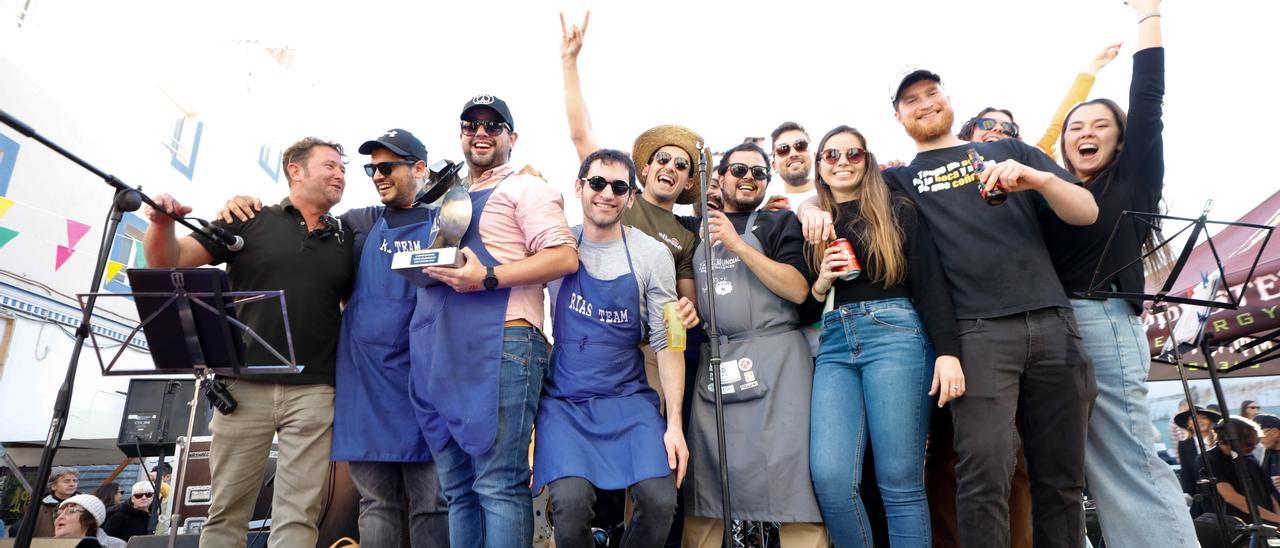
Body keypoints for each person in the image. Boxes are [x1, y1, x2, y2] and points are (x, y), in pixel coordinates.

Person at [846, 67, 1098, 548]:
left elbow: (1086, 212)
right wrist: (812, 211)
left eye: (931, 93)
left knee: (1062, 480)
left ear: (947, 100)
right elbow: (841, 198)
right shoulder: (895, 181)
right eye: (910, 100)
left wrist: (1039, 178)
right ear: (897, 116)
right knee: (983, 476)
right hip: (977, 335)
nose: (924, 103)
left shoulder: (1010, 152)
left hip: (1052, 321)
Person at [143, 136, 355, 548]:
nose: (340, 175)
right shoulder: (249, 218)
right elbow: (168, 261)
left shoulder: (347, 238)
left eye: (342, 169)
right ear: (296, 170)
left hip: (315, 390)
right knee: (226, 513)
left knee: (299, 516)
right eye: (330, 165)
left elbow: (353, 308)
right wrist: (161, 223)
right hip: (242, 386)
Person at [1038, 3, 1198, 546]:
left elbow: (1148, 97)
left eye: (1100, 126)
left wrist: (1148, 15)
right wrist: (1083, 77)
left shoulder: (1132, 179)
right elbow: (1036, 147)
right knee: (1090, 465)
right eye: (1076, 128)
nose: (1086, 133)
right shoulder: (1056, 190)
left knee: (1127, 453)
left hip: (1104, 318)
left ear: (1121, 140)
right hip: (1057, 325)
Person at [407, 94, 578, 547]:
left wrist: (485, 276)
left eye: (493, 125)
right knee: (458, 492)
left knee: (498, 485)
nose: (480, 132)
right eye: (470, 124)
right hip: (442, 349)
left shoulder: (528, 188)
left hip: (502, 344)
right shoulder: (446, 199)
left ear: (511, 137)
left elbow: (563, 256)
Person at [799, 125, 963, 546]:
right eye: (831, 155)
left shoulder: (898, 210)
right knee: (831, 479)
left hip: (897, 333)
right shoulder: (810, 223)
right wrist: (821, 280)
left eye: (853, 154)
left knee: (899, 482)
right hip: (834, 341)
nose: (842, 162)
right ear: (819, 166)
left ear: (867, 160)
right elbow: (801, 308)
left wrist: (948, 352)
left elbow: (930, 285)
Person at [534, 149, 696, 547]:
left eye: (619, 186)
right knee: (569, 509)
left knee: (660, 501)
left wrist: (673, 424)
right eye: (597, 183)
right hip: (565, 402)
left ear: (630, 196)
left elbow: (668, 341)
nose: (607, 193)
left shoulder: (653, 254)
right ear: (579, 187)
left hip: (628, 398)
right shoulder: (557, 247)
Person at [683, 142, 828, 547]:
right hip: (717, 362)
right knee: (707, 487)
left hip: (779, 362)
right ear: (721, 177)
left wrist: (738, 245)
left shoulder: (780, 223)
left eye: (759, 172)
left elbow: (799, 290)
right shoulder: (691, 230)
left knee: (792, 482)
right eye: (739, 169)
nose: (748, 177)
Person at [560, 13, 702, 420]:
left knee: (651, 445)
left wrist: (689, 311)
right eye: (663, 159)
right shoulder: (618, 196)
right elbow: (580, 134)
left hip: (650, 351)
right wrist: (570, 63)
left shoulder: (686, 236)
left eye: (681, 164)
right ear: (643, 170)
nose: (670, 167)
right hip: (589, 346)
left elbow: (684, 303)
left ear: (688, 179)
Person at [1199, 417, 1280, 524]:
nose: (1254, 448)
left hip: (1266, 521)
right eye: (1249, 444)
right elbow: (1231, 497)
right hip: (1234, 526)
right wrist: (1275, 518)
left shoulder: (1248, 458)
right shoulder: (1210, 459)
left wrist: (1277, 518)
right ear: (1231, 441)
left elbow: (1269, 491)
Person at [763, 122, 816, 212]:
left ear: (814, 155)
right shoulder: (768, 208)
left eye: (801, 146)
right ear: (774, 165)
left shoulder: (835, 195)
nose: (793, 154)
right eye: (783, 149)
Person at [1176, 406, 1221, 498]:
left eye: (1203, 418)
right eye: (1194, 418)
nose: (1199, 421)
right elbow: (1186, 471)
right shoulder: (1184, 444)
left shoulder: (1221, 441)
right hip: (1202, 495)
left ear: (1210, 421)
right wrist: (1187, 493)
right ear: (1188, 423)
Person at [24, 466, 79, 537]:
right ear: (53, 486)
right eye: (66, 481)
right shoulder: (38, 508)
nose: (72, 484)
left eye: (75, 481)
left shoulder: (84, 506)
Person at [53, 494, 125, 548]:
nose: (60, 517)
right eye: (58, 514)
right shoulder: (47, 545)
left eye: (70, 511)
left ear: (89, 519)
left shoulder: (117, 546)